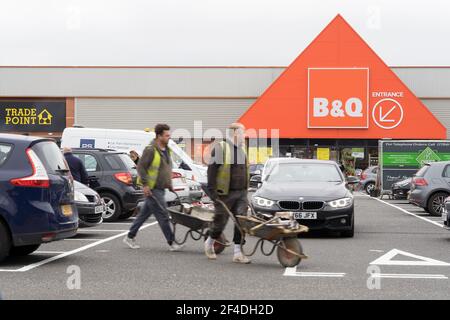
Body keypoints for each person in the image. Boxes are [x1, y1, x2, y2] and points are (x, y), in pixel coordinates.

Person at [123, 124, 183, 252]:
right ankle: (171, 242)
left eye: (169, 135)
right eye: (166, 135)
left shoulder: (166, 150)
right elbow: (141, 168)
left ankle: (129, 236)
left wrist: (169, 184)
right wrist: (145, 185)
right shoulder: (150, 150)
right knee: (163, 215)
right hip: (152, 189)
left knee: (143, 215)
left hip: (161, 188)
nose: (169, 138)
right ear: (159, 136)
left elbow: (165, 169)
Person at [204, 122, 251, 264]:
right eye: (243, 132)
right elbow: (211, 171)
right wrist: (213, 194)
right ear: (236, 133)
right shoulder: (221, 148)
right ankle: (210, 241)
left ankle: (237, 253)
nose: (245, 136)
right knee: (220, 222)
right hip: (225, 194)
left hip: (241, 193)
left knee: (241, 221)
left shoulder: (242, 149)